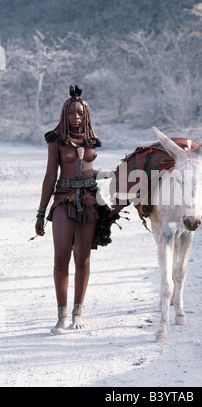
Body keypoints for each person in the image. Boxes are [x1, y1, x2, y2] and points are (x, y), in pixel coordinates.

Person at [35, 85, 110, 334]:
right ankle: (61, 315)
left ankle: (78, 312)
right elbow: (49, 177)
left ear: (86, 115)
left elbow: (89, 171)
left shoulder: (91, 140)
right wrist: (40, 212)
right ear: (64, 115)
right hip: (63, 200)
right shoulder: (56, 141)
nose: (76, 118)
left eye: (80, 113)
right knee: (60, 257)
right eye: (71, 113)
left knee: (83, 258)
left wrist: (111, 174)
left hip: (89, 200)